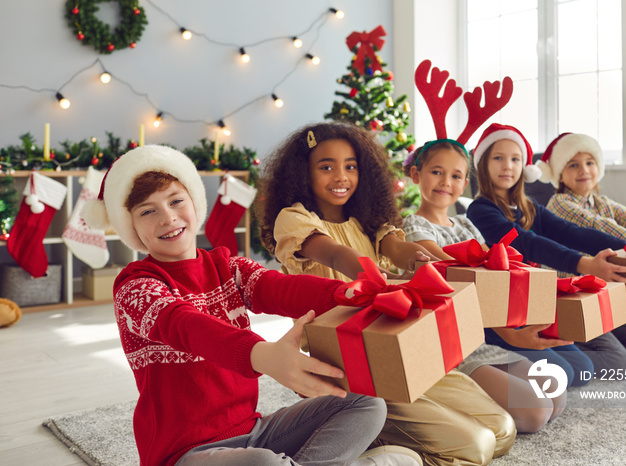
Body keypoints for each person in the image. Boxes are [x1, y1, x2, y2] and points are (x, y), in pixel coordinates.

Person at [81, 145, 422, 466]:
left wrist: (349, 294)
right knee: (262, 463)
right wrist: (261, 355)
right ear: (131, 225)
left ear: (194, 201)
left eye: (175, 201)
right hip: (185, 453)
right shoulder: (135, 287)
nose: (167, 218)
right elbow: (186, 325)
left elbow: (281, 289)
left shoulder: (227, 267)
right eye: (148, 211)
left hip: (254, 433)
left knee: (367, 404)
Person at [257, 121, 516, 466]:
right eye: (326, 167)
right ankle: (369, 440)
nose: (341, 177)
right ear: (303, 173)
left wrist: (423, 262)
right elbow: (335, 254)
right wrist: (381, 279)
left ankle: (382, 439)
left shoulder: (368, 218)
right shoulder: (293, 219)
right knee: (476, 447)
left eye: (350, 167)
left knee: (503, 429)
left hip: (392, 351)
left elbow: (398, 248)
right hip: (342, 366)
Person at [466, 124, 626, 375]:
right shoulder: (480, 210)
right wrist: (585, 264)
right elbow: (526, 243)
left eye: (515, 158)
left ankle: (588, 336)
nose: (508, 166)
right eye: (498, 158)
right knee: (616, 362)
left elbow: (571, 233)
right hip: (519, 308)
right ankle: (556, 350)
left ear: (524, 165)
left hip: (550, 299)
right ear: (483, 164)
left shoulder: (530, 207)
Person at [402, 139, 566, 433]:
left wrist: (513, 336)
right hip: (442, 346)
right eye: (436, 172)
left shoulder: (465, 225)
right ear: (416, 175)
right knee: (535, 412)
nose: (445, 182)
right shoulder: (414, 227)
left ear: (465, 182)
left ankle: (481, 392)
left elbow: (486, 289)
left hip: (475, 340)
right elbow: (455, 272)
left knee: (556, 393)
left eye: (455, 176)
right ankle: (446, 397)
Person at [536, 132, 626, 369]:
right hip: (571, 305)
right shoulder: (559, 204)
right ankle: (551, 346)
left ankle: (600, 342)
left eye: (590, 163)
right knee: (619, 363)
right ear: (559, 174)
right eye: (573, 165)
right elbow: (601, 228)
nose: (584, 170)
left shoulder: (603, 203)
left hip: (604, 303)